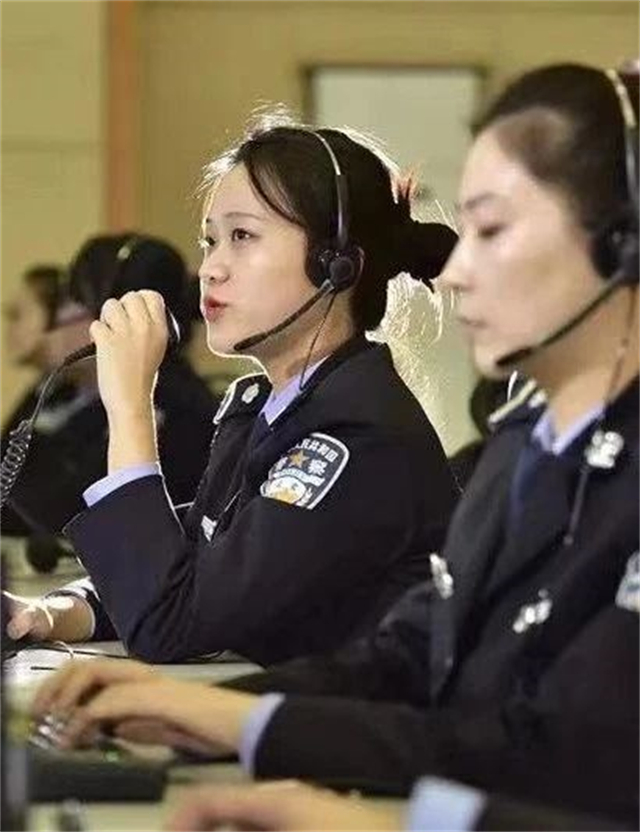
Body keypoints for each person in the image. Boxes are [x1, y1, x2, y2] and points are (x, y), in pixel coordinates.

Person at [32, 63, 639, 827]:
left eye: (492, 230)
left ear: (623, 246)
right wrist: (216, 716)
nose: (457, 271)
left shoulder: (366, 432)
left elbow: (569, 760)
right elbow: (411, 656)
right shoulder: (525, 444)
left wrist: (374, 823)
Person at [7, 119, 459, 662]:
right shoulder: (267, 408)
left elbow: (171, 622)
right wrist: (54, 612)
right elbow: (195, 562)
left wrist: (129, 406)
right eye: (210, 241)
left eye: (242, 237)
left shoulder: (358, 437)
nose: (210, 269)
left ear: (335, 265)